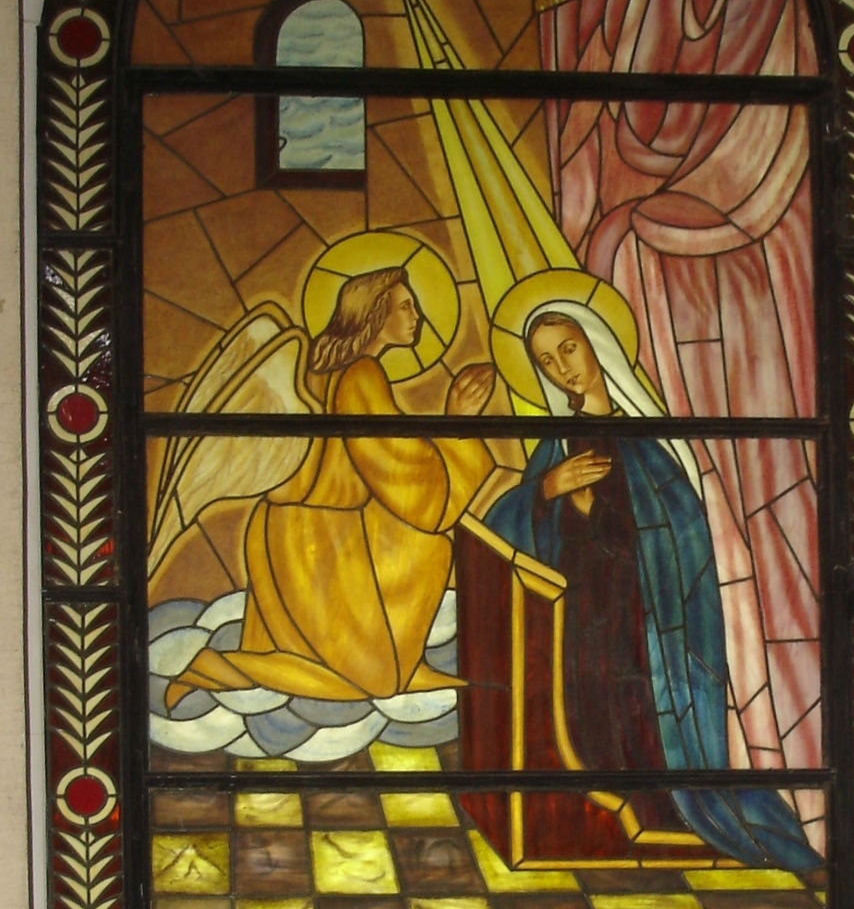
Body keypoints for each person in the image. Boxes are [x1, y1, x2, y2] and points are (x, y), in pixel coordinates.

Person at [485, 299, 820, 871]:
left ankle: (666, 813)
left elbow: (683, 535)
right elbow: (503, 534)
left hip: (646, 621)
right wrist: (547, 492)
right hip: (579, 621)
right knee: (589, 719)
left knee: (642, 716)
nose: (563, 368)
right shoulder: (555, 447)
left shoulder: (649, 440)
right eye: (547, 362)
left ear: (596, 345)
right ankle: (605, 824)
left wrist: (599, 513)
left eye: (569, 349)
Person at [167, 265, 494, 708]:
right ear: (375, 315)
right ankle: (220, 668)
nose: (417, 315)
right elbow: (404, 472)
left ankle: (399, 664)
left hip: (295, 529)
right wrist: (458, 423)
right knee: (374, 680)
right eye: (405, 306)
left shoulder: (326, 368)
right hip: (316, 540)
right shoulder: (360, 376)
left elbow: (385, 465)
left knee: (428, 548)